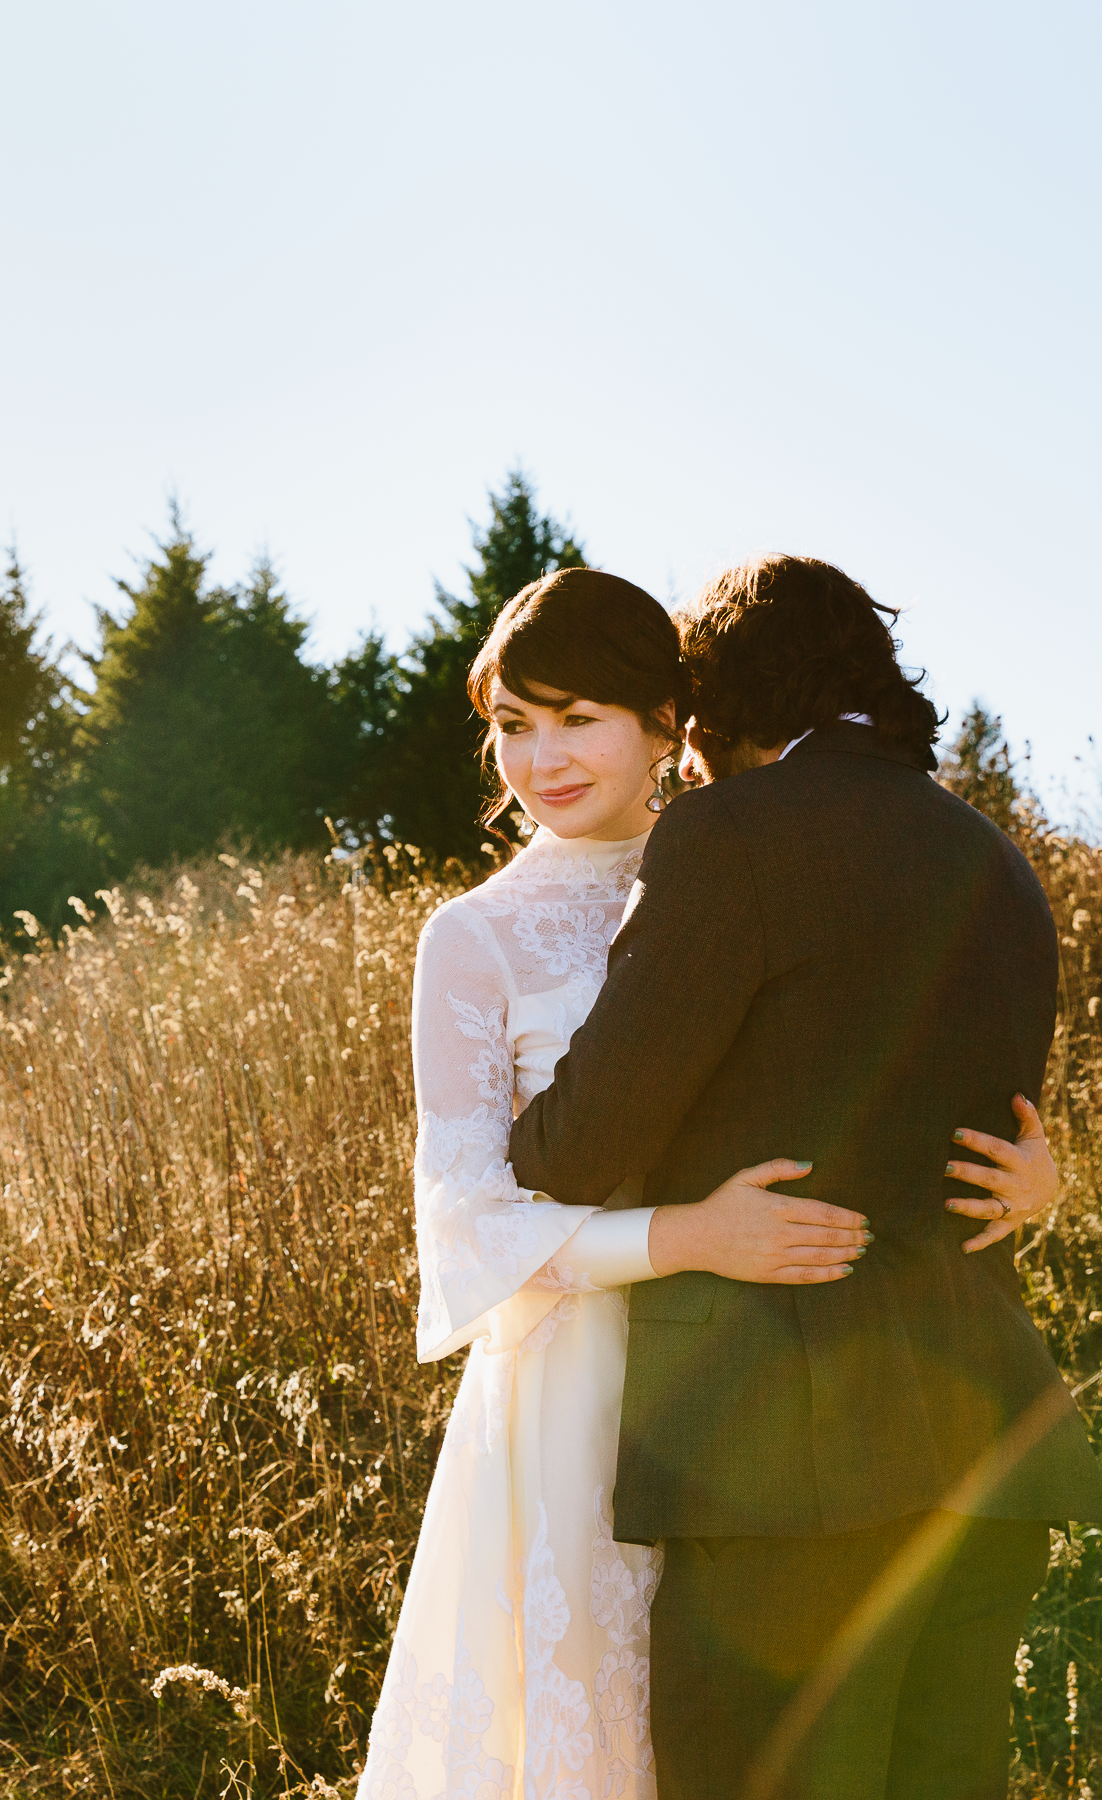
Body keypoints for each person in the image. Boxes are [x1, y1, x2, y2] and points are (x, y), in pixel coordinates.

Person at [358, 566, 1064, 1800]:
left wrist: (1041, 1174)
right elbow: (467, 1211)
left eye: (579, 717)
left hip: (765, 1408)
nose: (540, 759)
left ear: (671, 719)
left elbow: (858, 1074)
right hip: (588, 1395)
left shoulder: (729, 847)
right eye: (512, 726)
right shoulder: (472, 938)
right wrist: (683, 1234)